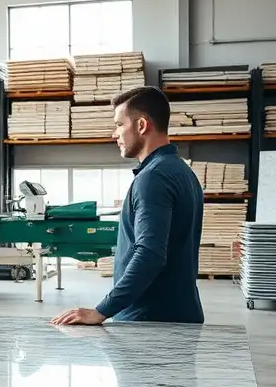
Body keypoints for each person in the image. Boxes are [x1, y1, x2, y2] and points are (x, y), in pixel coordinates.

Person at [51, 86, 204, 326]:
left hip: (149, 324)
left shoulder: (154, 177)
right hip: (176, 316)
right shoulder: (182, 172)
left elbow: (149, 254)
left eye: (119, 124)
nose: (115, 134)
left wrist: (102, 310)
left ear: (141, 125)